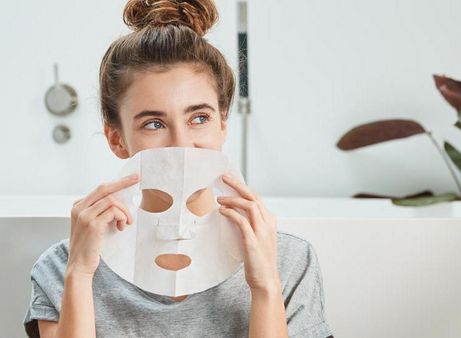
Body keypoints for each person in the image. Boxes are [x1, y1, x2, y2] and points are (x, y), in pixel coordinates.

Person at [22, 0, 333, 337]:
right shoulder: (62, 266)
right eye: (154, 124)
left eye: (199, 118)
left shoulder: (288, 259)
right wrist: (79, 274)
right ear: (117, 139)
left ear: (222, 126)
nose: (181, 144)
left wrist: (265, 285)